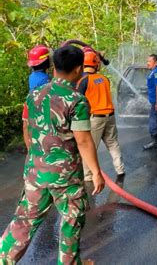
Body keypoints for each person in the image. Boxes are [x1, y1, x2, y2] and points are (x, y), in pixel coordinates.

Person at [0, 45, 105, 264]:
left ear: (54, 66)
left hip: (36, 174)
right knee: (71, 222)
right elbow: (83, 140)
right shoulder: (76, 100)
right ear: (78, 69)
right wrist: (96, 172)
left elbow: (28, 131)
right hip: (65, 177)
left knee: (23, 222)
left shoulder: (34, 94)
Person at [77, 50, 125, 182]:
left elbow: (79, 101)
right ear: (96, 64)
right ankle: (120, 169)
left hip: (95, 118)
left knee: (90, 147)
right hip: (110, 116)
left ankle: (87, 176)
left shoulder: (83, 81)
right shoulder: (105, 79)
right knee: (113, 143)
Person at [22, 45, 52, 149]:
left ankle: (30, 151)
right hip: (41, 106)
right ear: (46, 61)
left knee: (26, 126)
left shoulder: (32, 76)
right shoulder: (46, 79)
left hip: (30, 103)